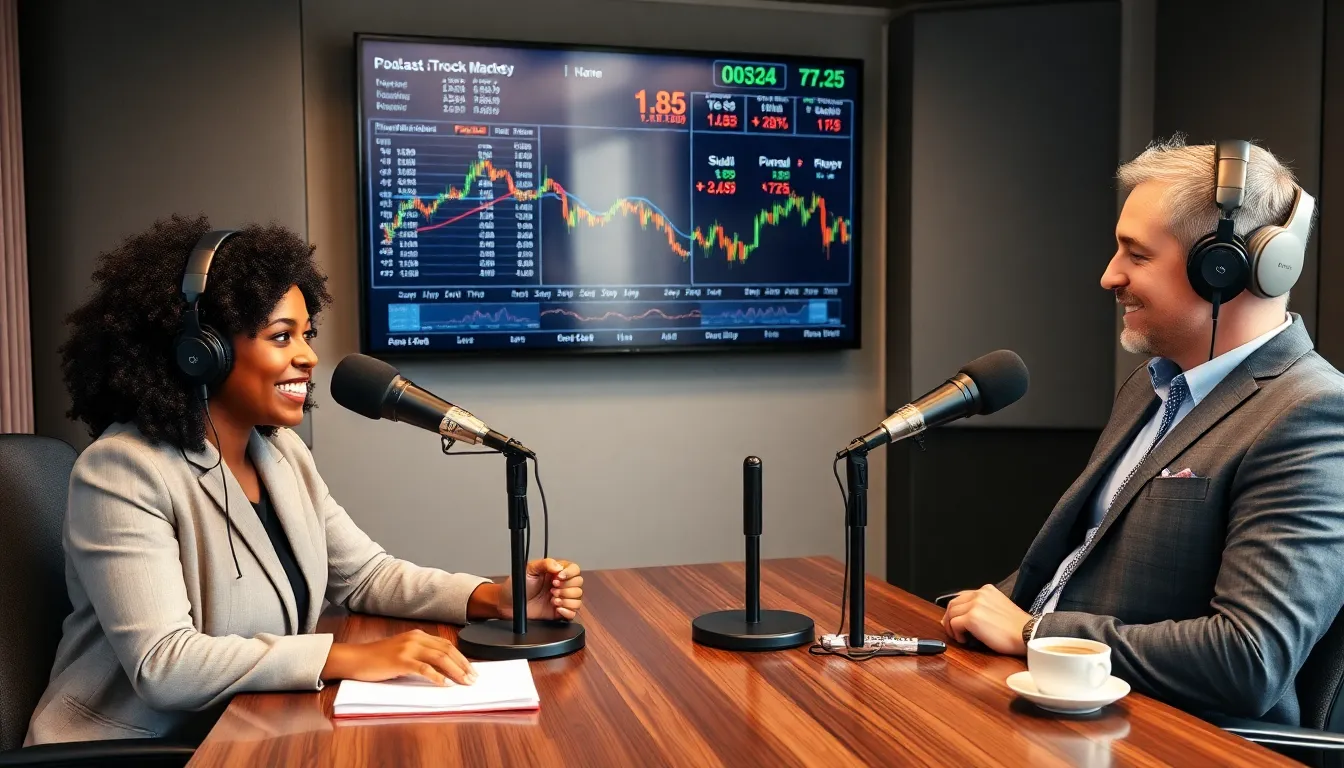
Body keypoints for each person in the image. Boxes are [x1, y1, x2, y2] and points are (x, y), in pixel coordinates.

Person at [24, 215, 585, 746]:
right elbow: (165, 664)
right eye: (281, 336)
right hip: (138, 749)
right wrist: (344, 657)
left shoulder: (282, 453)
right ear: (201, 353)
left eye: (307, 334)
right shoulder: (122, 471)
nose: (309, 356)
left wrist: (495, 598)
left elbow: (366, 576)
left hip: (250, 729)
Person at [941, 135, 1344, 725]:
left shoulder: (1313, 414)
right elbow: (1076, 568)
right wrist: (976, 616)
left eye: (1137, 254)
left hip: (1169, 737)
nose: (1110, 276)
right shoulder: (1151, 387)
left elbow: (1249, 659)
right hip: (1065, 705)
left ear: (1224, 268)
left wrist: (1036, 632)